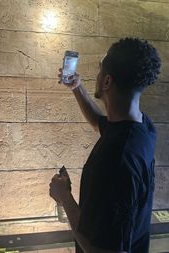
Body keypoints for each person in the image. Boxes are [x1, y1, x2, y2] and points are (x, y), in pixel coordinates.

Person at [49, 38, 161, 253]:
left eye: (100, 71)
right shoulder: (142, 127)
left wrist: (64, 196)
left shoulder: (117, 158)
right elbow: (100, 123)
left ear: (107, 82)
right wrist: (76, 87)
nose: (97, 76)